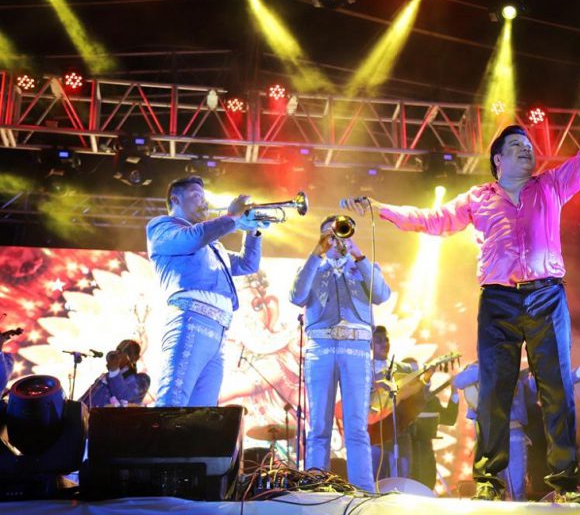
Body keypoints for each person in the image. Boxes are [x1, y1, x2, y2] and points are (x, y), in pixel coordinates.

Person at [341, 80, 580, 502]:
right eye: (517, 146)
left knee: (556, 389)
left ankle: (564, 484)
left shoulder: (551, 185)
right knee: (494, 391)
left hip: (546, 296)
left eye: (529, 146)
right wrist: (381, 210)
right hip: (499, 299)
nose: (528, 150)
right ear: (498, 159)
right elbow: (432, 219)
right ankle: (489, 482)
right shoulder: (478, 198)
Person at [289, 215, 391, 492]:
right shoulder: (312, 267)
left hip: (355, 349)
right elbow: (297, 296)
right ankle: (314, 486)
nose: (336, 240)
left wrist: (358, 255)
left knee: (356, 427)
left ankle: (363, 490)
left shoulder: (364, 265)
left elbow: (381, 295)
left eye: (340, 234)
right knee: (318, 426)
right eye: (329, 235)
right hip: (320, 348)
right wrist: (316, 253)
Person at [147, 176, 265, 407]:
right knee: (173, 401)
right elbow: (193, 237)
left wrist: (253, 231)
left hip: (219, 330)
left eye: (204, 196)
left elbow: (247, 264)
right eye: (196, 195)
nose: (204, 202)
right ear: (175, 200)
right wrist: (231, 217)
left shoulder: (214, 246)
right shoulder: (162, 227)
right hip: (191, 320)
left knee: (204, 411)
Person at [454, 362, 544, 501]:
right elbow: (459, 381)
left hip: (514, 432)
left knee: (518, 486)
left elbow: (530, 398)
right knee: (493, 486)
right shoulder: (477, 367)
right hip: (490, 434)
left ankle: (519, 507)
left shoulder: (515, 372)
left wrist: (535, 381)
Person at [402, 356, 460, 491]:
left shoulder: (430, 400)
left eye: (418, 373)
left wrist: (454, 392)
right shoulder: (396, 399)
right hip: (404, 454)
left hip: (426, 455)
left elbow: (449, 419)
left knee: (427, 485)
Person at [370, 326, 413, 481]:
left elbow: (415, 397)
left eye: (386, 340)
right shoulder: (363, 370)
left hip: (400, 432)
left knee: (402, 479)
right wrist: (375, 384)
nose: (384, 344)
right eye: (379, 341)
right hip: (376, 434)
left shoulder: (404, 368)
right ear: (370, 345)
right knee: (376, 480)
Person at [79, 339, 151, 407]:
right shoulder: (107, 376)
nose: (120, 355)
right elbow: (86, 399)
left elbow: (124, 397)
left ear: (136, 358)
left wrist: (114, 371)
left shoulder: (143, 379)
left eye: (127, 352)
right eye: (118, 351)